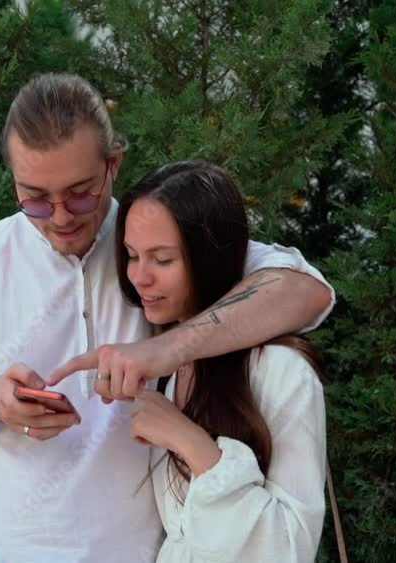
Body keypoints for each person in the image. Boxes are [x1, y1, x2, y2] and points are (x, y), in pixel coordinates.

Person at [0, 73, 335, 563]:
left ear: (112, 164)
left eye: (79, 194)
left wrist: (161, 349)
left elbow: (304, 290)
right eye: (33, 197)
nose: (59, 216)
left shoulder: (152, 237)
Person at [115, 160, 327, 562]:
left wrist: (188, 440)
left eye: (162, 260)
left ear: (209, 258)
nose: (139, 277)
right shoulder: (168, 367)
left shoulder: (280, 370)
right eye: (131, 255)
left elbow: (289, 549)